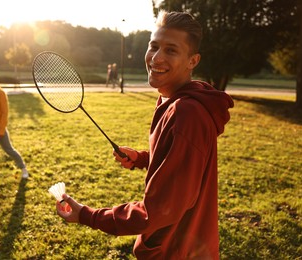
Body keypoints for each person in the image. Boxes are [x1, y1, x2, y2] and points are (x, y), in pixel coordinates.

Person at [55, 10, 234, 259]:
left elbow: (157, 211)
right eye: (154, 46)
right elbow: (182, 165)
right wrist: (141, 159)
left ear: (192, 61)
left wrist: (86, 214)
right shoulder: (173, 100)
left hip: (176, 252)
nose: (156, 58)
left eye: (171, 50)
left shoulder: (187, 113)